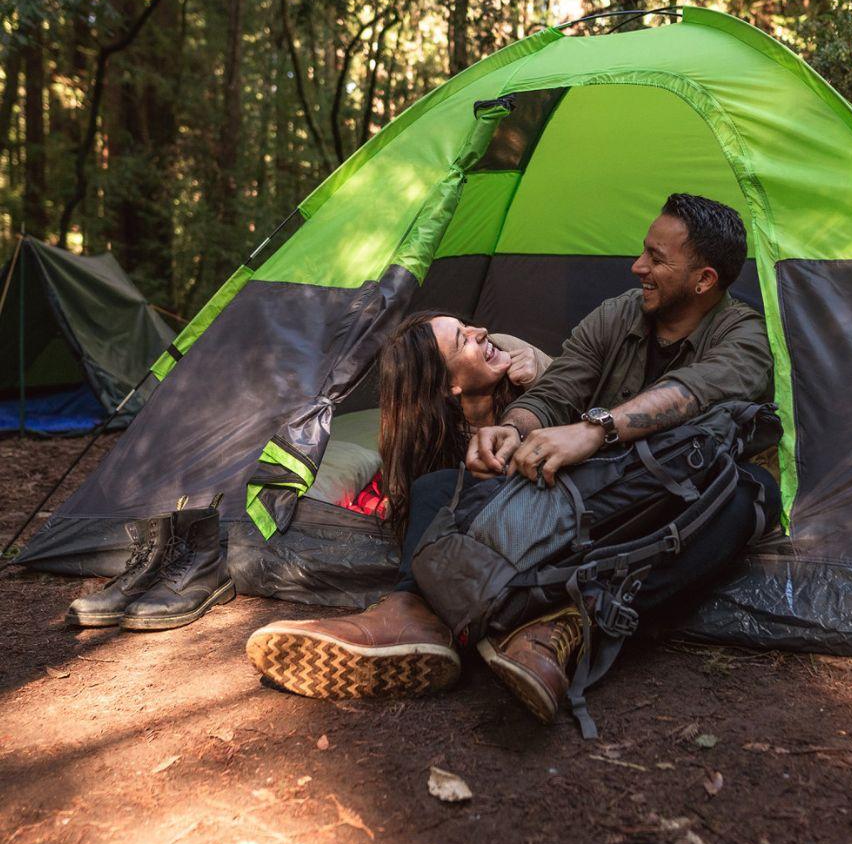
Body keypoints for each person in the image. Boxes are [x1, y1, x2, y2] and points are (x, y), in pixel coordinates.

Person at [247, 193, 780, 725]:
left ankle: (568, 624)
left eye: (656, 259)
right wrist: (512, 427)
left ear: (704, 280)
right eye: (643, 251)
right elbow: (560, 388)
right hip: (586, 490)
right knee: (439, 487)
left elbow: (693, 391)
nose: (637, 266)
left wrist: (596, 430)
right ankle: (413, 615)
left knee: (746, 498)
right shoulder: (619, 314)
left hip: (667, 499)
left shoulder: (745, 335)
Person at [245, 311, 551, 698]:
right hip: (499, 546)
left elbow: (588, 406)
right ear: (448, 387)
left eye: (468, 328)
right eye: (463, 340)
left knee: (438, 490)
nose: (482, 332)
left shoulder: (522, 367)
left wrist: (544, 372)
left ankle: (411, 616)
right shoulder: (437, 444)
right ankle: (433, 624)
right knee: (437, 493)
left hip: (553, 512)